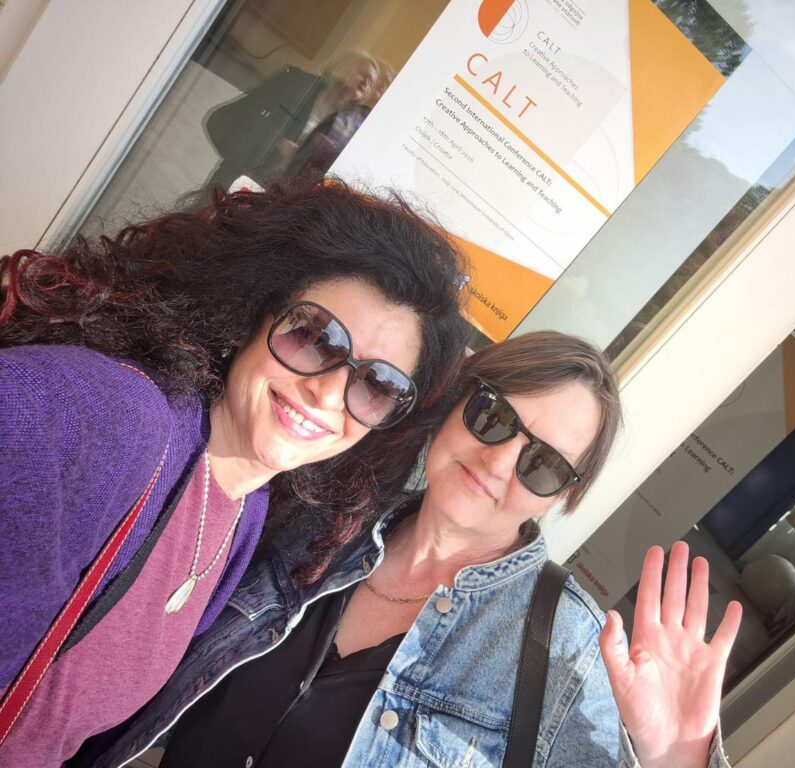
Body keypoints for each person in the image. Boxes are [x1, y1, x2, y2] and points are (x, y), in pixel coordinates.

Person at [96, 332, 742, 768]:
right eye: (494, 417)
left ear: (560, 497)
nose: (498, 462)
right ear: (457, 403)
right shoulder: (320, 518)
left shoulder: (568, 648)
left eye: (543, 465)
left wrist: (677, 759)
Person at [0, 181, 469, 765]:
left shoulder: (245, 511)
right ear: (251, 310)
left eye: (377, 384)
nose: (328, 393)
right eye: (314, 336)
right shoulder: (107, 416)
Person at [204, 51, 393, 190]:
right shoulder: (296, 83)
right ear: (343, 68)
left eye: (371, 82)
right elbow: (242, 118)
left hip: (275, 200)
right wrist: (277, 143)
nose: (367, 84)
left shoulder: (347, 126)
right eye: (363, 75)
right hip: (236, 179)